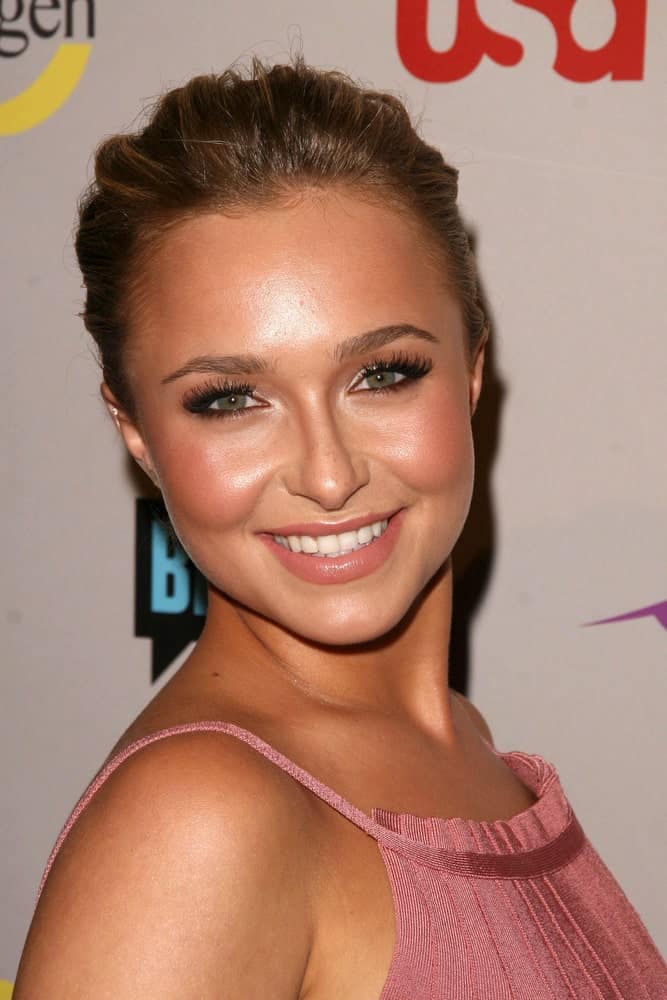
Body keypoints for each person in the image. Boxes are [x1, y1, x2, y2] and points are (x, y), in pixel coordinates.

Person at [14, 58, 666, 999]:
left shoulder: (463, 747)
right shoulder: (200, 825)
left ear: (472, 369)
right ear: (136, 432)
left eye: (384, 373)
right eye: (230, 398)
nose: (328, 475)